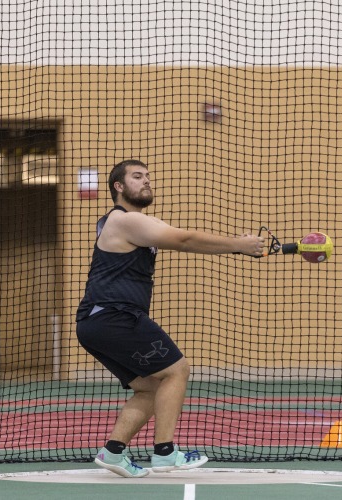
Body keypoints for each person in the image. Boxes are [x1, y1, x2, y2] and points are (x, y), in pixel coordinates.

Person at [76, 159, 265, 478]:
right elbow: (184, 240)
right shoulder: (122, 221)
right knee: (177, 370)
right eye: (138, 177)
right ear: (118, 187)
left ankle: (114, 451)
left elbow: (170, 236)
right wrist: (238, 245)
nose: (147, 181)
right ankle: (164, 452)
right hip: (114, 316)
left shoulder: (129, 223)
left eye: (148, 176)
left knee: (150, 387)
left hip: (96, 323)